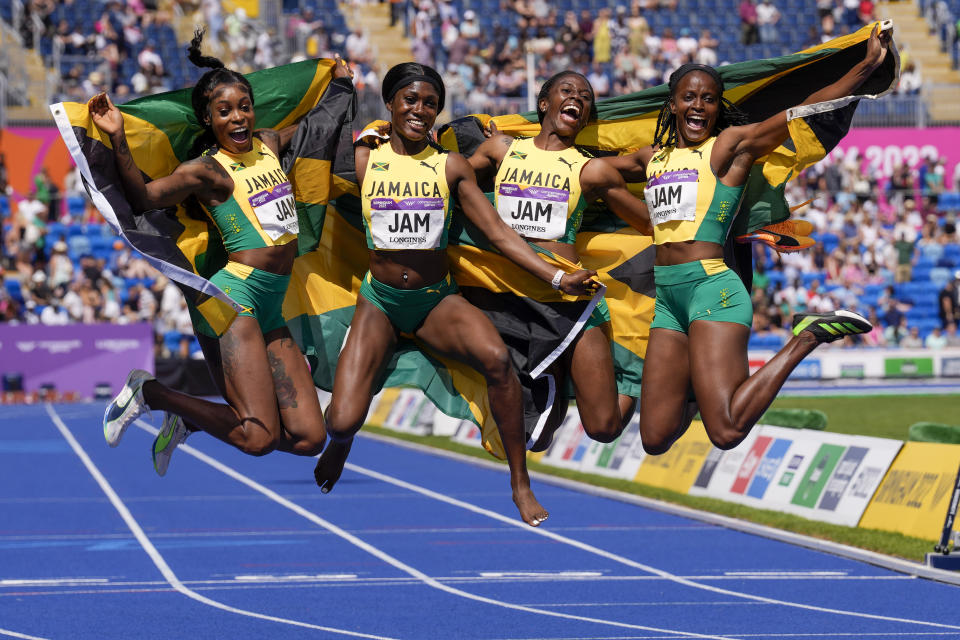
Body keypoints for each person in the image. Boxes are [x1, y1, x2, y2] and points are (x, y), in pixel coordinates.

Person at [313, 63, 598, 527]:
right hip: (380, 302)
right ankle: (342, 445)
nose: (420, 110)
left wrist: (555, 277)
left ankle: (520, 483)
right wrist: (342, 92)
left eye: (430, 102)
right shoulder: (366, 160)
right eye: (410, 99)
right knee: (340, 422)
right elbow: (309, 153)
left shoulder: (450, 165)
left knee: (497, 360)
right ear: (390, 104)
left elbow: (502, 235)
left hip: (435, 302)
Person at [604, 25, 889, 456]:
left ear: (719, 108)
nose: (698, 106)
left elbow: (798, 113)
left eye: (708, 99)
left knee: (726, 432)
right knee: (655, 437)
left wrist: (866, 66)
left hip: (711, 290)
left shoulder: (728, 147)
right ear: (673, 104)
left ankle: (808, 336)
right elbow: (594, 170)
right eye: (689, 97)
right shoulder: (651, 158)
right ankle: (707, 383)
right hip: (667, 300)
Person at [89, 30, 352, 476]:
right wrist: (117, 137)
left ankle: (193, 418)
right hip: (236, 300)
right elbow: (144, 198)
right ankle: (150, 394)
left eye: (244, 106)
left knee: (309, 438)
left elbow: (315, 130)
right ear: (209, 119)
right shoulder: (207, 171)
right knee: (259, 437)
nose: (238, 118)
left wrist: (341, 84)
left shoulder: (268, 145)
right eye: (224, 111)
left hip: (271, 306)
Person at [466, 70, 655, 450]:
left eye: (585, 97)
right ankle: (560, 385)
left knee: (604, 427)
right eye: (567, 91)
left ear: (585, 117)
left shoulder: (591, 170)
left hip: (571, 304)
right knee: (535, 438)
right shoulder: (501, 150)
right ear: (543, 104)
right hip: (515, 302)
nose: (578, 98)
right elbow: (446, 187)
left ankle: (635, 376)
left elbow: (648, 223)